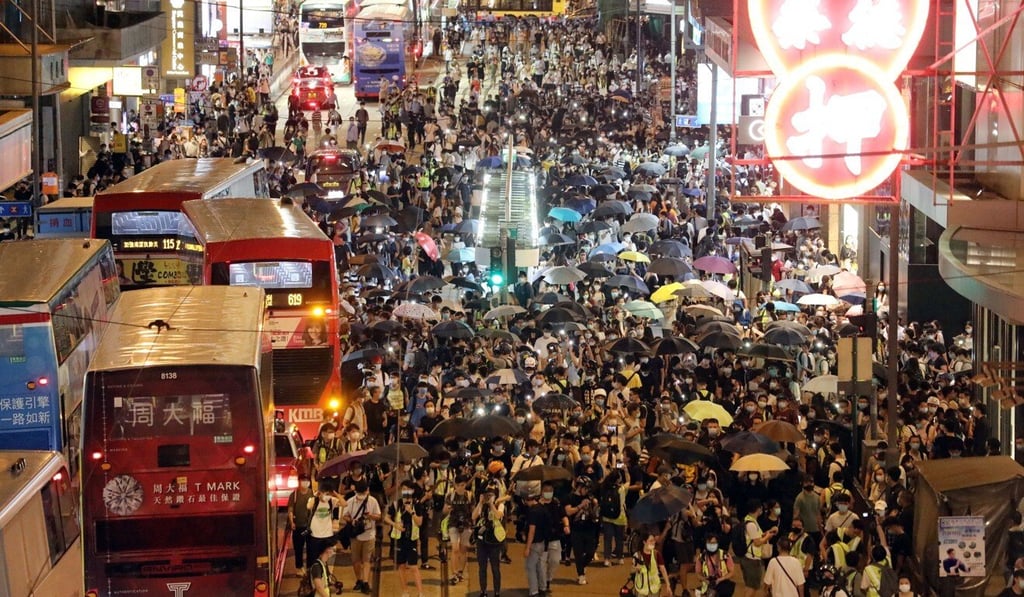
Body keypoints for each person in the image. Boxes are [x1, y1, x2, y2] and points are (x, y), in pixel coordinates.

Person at [384, 480, 426, 597]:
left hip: (411, 540)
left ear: (412, 491)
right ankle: (405, 591)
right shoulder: (396, 504)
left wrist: (412, 512)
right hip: (399, 539)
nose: (405, 492)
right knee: (401, 565)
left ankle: (420, 593)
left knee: (413, 567)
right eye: (403, 490)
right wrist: (395, 524)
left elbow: (420, 522)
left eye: (407, 489)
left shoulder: (417, 505)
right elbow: (386, 518)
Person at [342, 480, 381, 594]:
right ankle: (359, 579)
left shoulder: (373, 501)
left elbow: (378, 516)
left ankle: (365, 582)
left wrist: (370, 516)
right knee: (356, 561)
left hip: (369, 535)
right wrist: (352, 521)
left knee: (367, 560)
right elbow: (345, 515)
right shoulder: (351, 501)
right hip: (355, 536)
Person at [565, 476, 600, 585]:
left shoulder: (590, 497)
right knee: (578, 553)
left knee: (590, 552)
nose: (587, 491)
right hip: (576, 529)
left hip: (589, 528)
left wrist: (595, 504)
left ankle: (582, 566)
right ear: (579, 487)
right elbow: (568, 512)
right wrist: (580, 506)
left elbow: (596, 510)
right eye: (586, 488)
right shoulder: (570, 497)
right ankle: (581, 574)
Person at [473, 482, 506, 597]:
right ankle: (483, 591)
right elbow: (473, 516)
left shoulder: (499, 504)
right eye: (487, 494)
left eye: (491, 494)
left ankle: (497, 592)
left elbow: (498, 515)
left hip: (494, 541)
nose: (489, 496)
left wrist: (492, 505)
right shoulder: (482, 504)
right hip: (482, 541)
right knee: (482, 567)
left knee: (495, 567)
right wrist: (480, 503)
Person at [443, 474, 474, 586]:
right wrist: (448, 508)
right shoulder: (450, 495)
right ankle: (454, 574)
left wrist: (472, 525)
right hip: (453, 523)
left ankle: (460, 572)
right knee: (455, 549)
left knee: (463, 549)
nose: (461, 487)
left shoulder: (469, 495)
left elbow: (473, 511)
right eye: (459, 485)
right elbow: (445, 511)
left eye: (463, 485)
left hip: (466, 524)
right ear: (455, 485)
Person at [307, 484, 344, 575]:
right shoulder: (314, 501)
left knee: (325, 556)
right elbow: (308, 506)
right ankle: (314, 576)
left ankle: (324, 575)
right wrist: (317, 496)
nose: (327, 496)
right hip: (315, 535)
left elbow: (344, 503)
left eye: (328, 494)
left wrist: (336, 494)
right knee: (314, 559)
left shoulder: (332, 501)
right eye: (325, 494)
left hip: (327, 535)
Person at [523, 491, 551, 597]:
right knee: (540, 566)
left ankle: (534, 591)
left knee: (530, 567)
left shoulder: (533, 512)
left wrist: (527, 547)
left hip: (535, 543)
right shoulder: (542, 508)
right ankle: (542, 588)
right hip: (543, 542)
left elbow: (532, 530)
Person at [287, 473, 315, 577]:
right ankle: (299, 568)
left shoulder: (312, 494)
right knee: (298, 548)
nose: (305, 482)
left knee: (310, 548)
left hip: (309, 526)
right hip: (298, 526)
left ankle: (309, 567)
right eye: (303, 480)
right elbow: (290, 509)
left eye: (307, 480)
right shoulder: (294, 495)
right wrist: (292, 522)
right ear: (299, 482)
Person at [632, 531, 671, 597]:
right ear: (644, 542)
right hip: (641, 590)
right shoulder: (637, 555)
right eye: (651, 541)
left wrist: (668, 584)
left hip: (654, 589)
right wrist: (635, 568)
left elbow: (663, 570)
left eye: (654, 541)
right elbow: (632, 571)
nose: (653, 543)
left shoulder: (656, 554)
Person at [696, 533, 735, 597]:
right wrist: (705, 580)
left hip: (723, 586)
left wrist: (721, 579)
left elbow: (732, 572)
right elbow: (698, 573)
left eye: (713, 543)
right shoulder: (701, 557)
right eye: (709, 543)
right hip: (708, 586)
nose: (711, 545)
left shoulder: (725, 555)